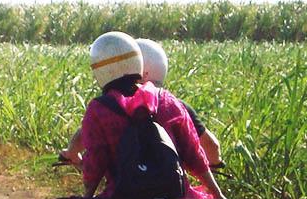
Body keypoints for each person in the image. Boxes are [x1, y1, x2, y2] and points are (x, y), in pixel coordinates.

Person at [77, 31, 225, 199]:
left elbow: (95, 163)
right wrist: (217, 194)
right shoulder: (168, 101)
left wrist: (87, 198)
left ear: (100, 71)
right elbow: (194, 155)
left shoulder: (99, 109)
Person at [62, 38, 222, 167]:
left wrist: (71, 153)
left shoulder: (111, 105)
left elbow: (84, 135)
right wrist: (212, 164)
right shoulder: (175, 105)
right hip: (173, 197)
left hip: (122, 196)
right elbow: (212, 147)